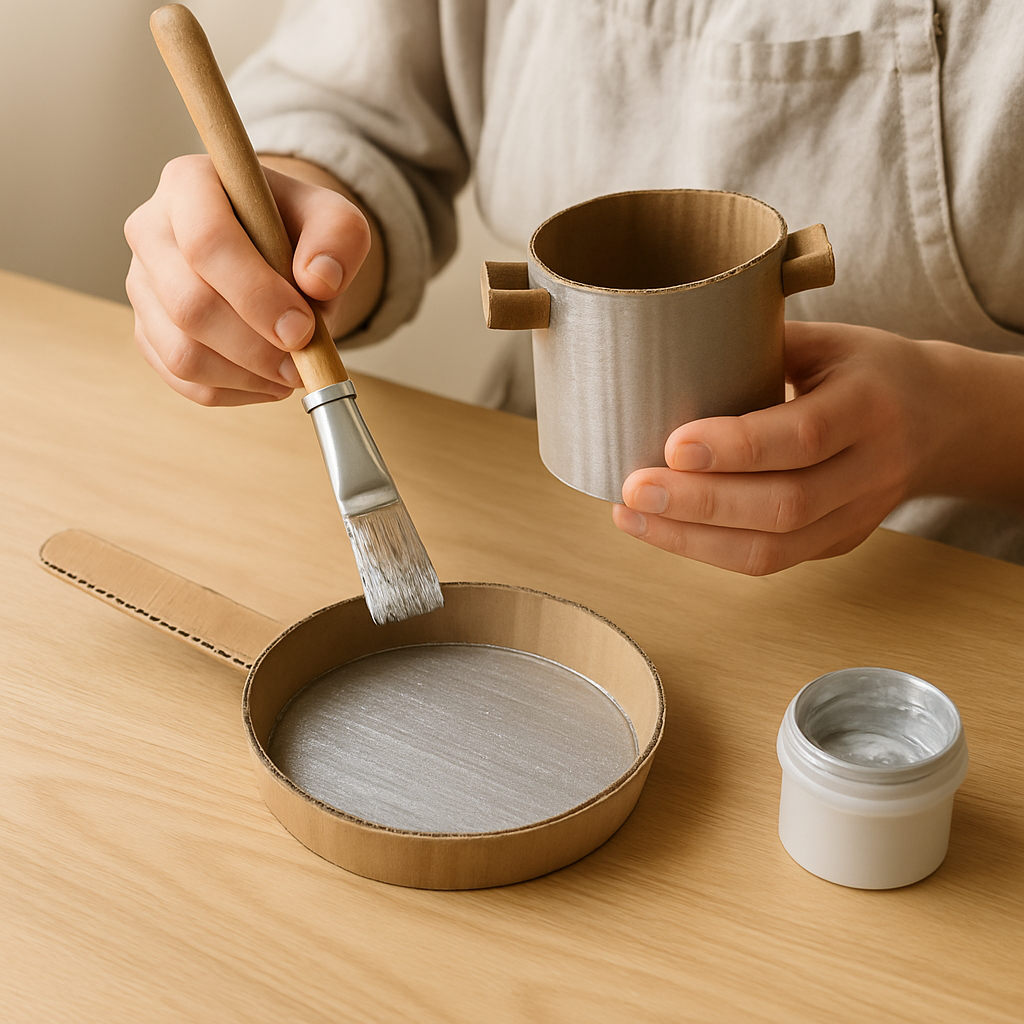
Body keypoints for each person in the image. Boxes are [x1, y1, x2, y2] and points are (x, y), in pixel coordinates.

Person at [124, 0, 1024, 573]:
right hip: (530, 524)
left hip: (947, 577)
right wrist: (274, 245)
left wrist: (958, 421)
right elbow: (349, 116)